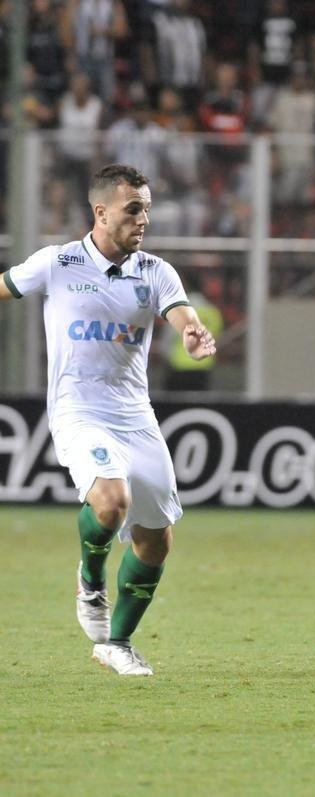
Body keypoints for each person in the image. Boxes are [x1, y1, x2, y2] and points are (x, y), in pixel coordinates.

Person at [0, 164, 217, 676]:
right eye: (133, 209)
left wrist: (192, 331)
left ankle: (117, 642)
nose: (143, 219)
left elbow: (181, 313)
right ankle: (91, 579)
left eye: (146, 208)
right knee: (110, 499)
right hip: (78, 410)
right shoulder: (57, 263)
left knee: (156, 537)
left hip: (135, 415)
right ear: (100, 212)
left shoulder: (156, 272)